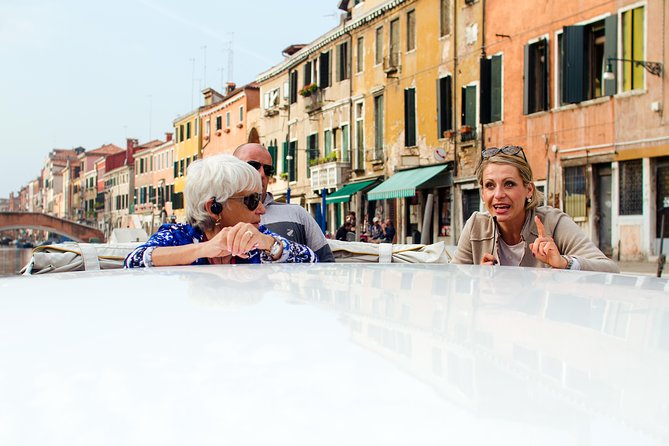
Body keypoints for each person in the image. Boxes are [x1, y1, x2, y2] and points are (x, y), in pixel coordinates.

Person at [124, 155, 317, 267]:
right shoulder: (177, 236)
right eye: (252, 200)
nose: (261, 209)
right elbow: (134, 261)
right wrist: (205, 249)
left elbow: (311, 261)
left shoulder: (257, 239)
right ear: (214, 208)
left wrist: (271, 245)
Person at [452, 145, 619, 272]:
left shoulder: (553, 222)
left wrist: (564, 263)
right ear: (482, 193)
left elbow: (610, 269)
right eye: (490, 185)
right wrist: (476, 277)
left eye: (509, 184)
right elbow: (453, 285)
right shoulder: (475, 225)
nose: (498, 194)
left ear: (529, 190)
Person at [233, 143, 335, 262]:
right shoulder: (216, 218)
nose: (261, 174)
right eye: (252, 166)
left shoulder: (297, 214)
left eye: (267, 170)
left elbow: (326, 264)